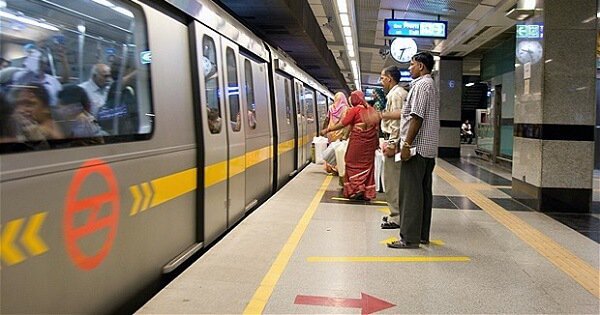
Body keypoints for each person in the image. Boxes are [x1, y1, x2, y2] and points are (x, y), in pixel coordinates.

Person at [321, 90, 379, 200]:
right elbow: (376, 129)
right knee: (368, 166)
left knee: (351, 162)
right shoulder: (371, 110)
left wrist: (327, 130)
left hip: (357, 143)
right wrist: (376, 144)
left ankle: (355, 189)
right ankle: (366, 191)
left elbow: (343, 124)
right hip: (370, 144)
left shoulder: (354, 110)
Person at [379, 66, 408, 230]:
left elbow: (398, 122)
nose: (381, 81)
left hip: (395, 145)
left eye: (382, 78)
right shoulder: (397, 93)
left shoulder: (396, 95)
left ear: (389, 78)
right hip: (397, 143)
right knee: (395, 181)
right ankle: (396, 214)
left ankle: (396, 217)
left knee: (392, 182)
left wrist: (392, 144)